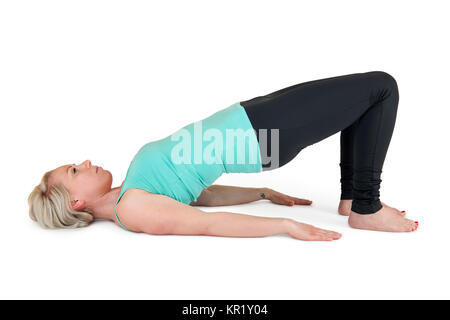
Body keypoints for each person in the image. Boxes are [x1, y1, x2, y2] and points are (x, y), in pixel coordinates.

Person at [28, 71, 418, 241]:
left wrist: (263, 193)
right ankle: (366, 206)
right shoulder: (132, 209)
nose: (85, 162)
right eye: (74, 170)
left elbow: (203, 196)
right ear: (75, 200)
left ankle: (353, 198)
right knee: (380, 88)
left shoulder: (132, 191)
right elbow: (206, 224)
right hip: (263, 133)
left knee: (359, 101)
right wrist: (284, 224)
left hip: (251, 118)